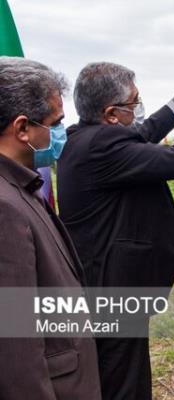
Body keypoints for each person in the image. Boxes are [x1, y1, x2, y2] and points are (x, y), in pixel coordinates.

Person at [56, 62, 174, 400]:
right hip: (110, 293)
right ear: (111, 114)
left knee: (121, 371)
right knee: (123, 383)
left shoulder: (86, 137)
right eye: (135, 103)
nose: (140, 110)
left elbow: (142, 132)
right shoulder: (104, 147)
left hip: (104, 285)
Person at [0, 57, 101, 399]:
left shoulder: (19, 186)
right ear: (22, 128)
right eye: (55, 123)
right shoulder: (4, 207)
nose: (61, 133)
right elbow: (16, 346)